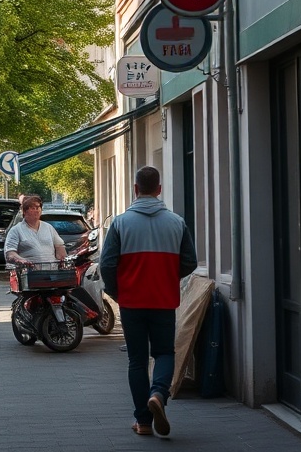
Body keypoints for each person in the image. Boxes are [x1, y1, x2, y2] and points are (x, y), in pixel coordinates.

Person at [100, 166, 197, 438]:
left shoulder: (120, 223)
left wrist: (118, 291)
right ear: (159, 189)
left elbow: (107, 264)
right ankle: (158, 394)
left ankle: (143, 422)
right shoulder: (176, 222)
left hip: (132, 301)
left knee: (137, 360)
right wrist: (166, 276)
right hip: (164, 300)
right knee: (165, 353)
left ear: (135, 189)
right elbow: (190, 261)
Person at [3, 194, 67, 266]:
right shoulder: (16, 230)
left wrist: (63, 262)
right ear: (24, 211)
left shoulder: (49, 228)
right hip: (28, 273)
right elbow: (10, 253)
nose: (36, 210)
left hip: (51, 272)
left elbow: (60, 249)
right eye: (33, 208)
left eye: (38, 207)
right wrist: (22, 261)